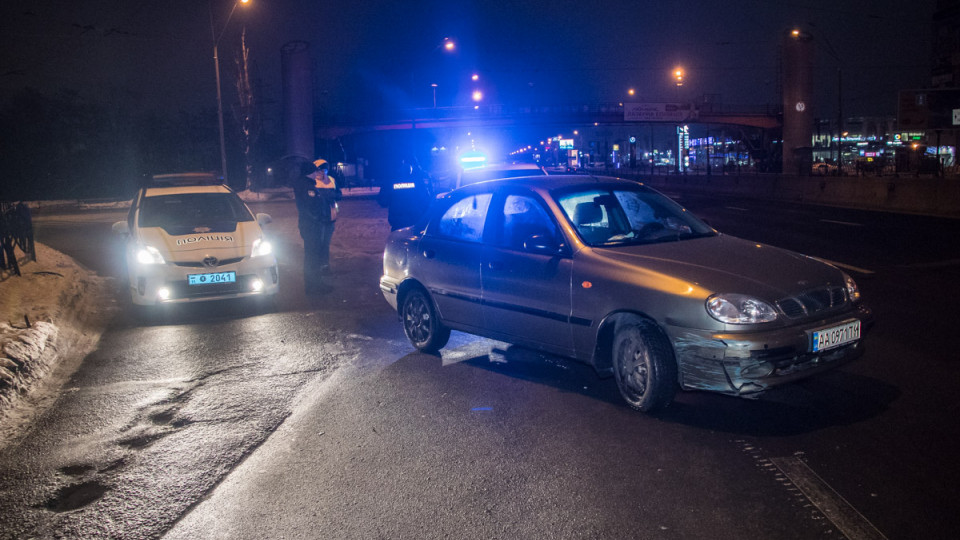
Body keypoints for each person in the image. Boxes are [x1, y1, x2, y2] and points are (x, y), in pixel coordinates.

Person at [294, 158, 341, 294]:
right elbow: (309, 207)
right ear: (309, 172)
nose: (317, 173)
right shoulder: (307, 186)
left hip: (313, 224)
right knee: (312, 257)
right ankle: (314, 286)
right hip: (312, 226)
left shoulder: (308, 184)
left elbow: (337, 195)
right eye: (314, 171)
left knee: (313, 255)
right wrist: (317, 218)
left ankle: (314, 284)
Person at [377, 158, 434, 231]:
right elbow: (426, 200)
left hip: (397, 221)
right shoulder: (417, 182)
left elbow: (383, 201)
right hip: (415, 220)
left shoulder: (391, 181)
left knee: (397, 241)